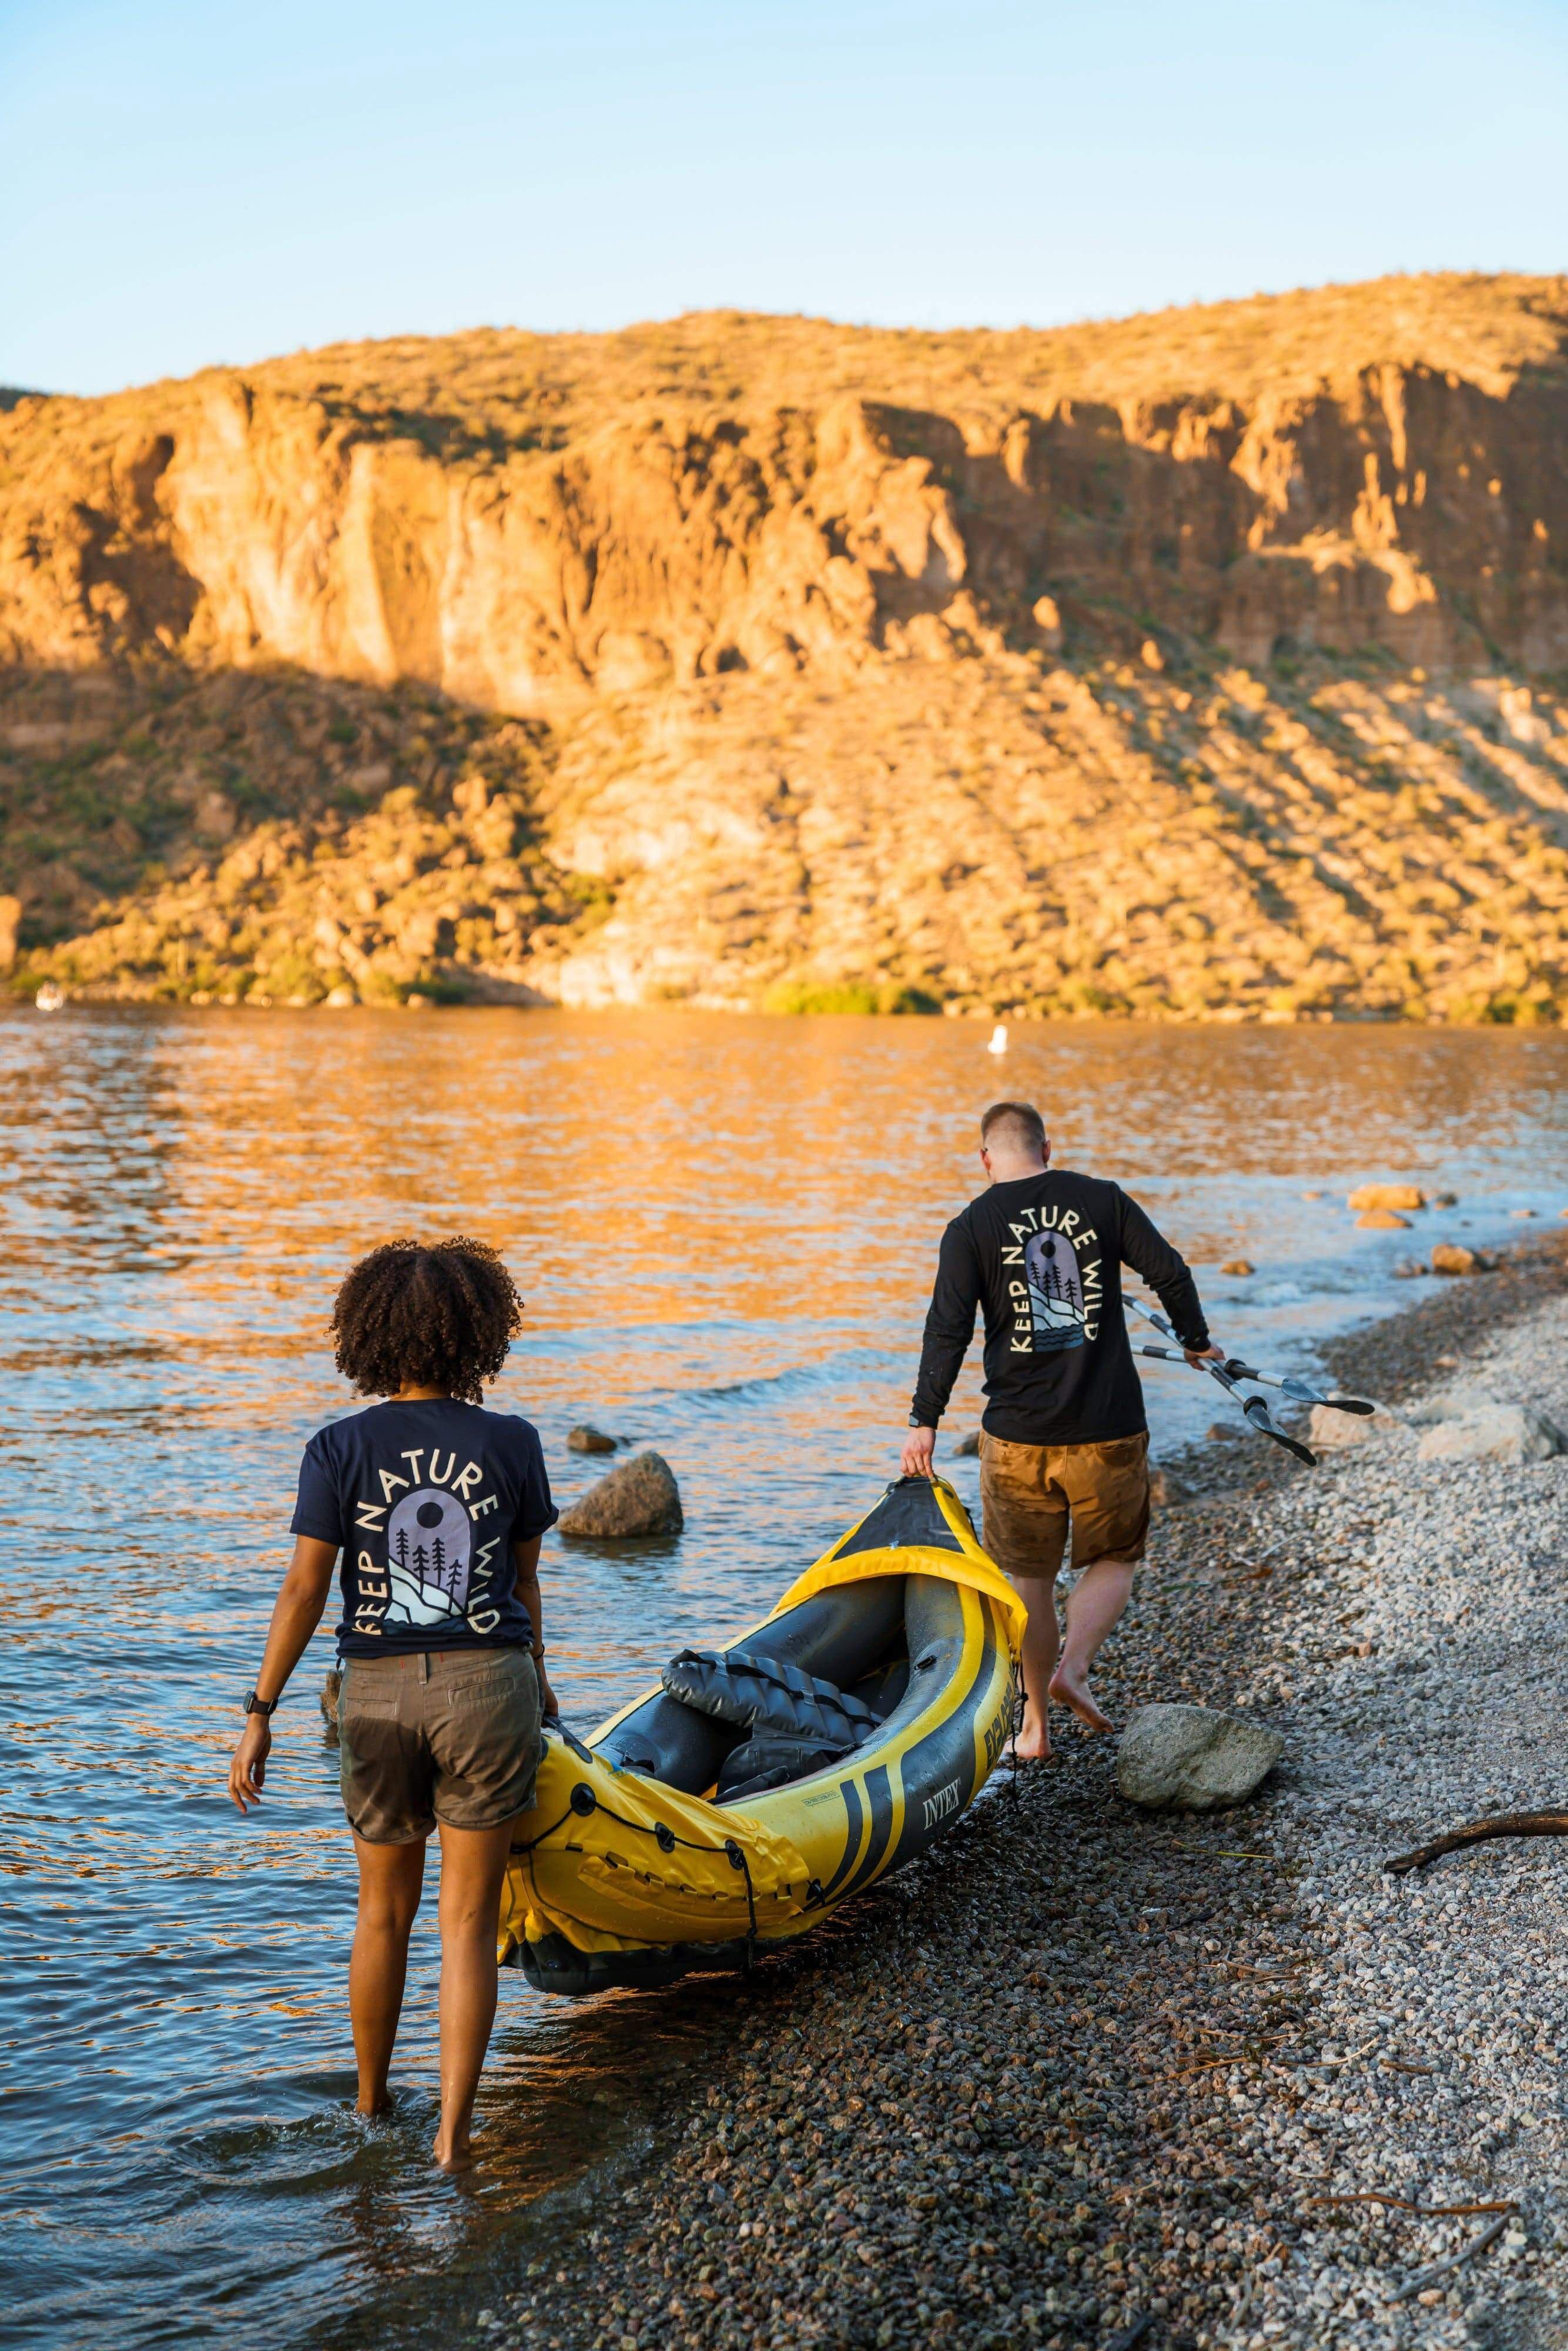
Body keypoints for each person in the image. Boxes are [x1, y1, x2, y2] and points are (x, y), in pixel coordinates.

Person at [227, 1237, 558, 2171]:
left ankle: (372, 2111)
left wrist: (260, 1709)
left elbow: (302, 1592)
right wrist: (540, 1674)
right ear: (477, 1334)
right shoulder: (512, 1443)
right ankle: (453, 2138)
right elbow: (524, 1588)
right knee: (467, 1920)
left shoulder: (338, 1446)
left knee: (382, 1914)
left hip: (371, 1694)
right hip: (488, 1685)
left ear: (370, 1335)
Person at [901, 1102, 1218, 1758]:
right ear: (1047, 1146)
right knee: (1113, 1558)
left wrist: (923, 1419)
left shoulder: (970, 1226)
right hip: (1108, 1427)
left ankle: (1035, 1725)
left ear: (985, 1157)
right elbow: (1169, 1271)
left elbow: (947, 1329)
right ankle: (1075, 1667)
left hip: (1018, 1437)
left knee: (1028, 1581)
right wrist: (1194, 1340)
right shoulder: (1100, 1200)